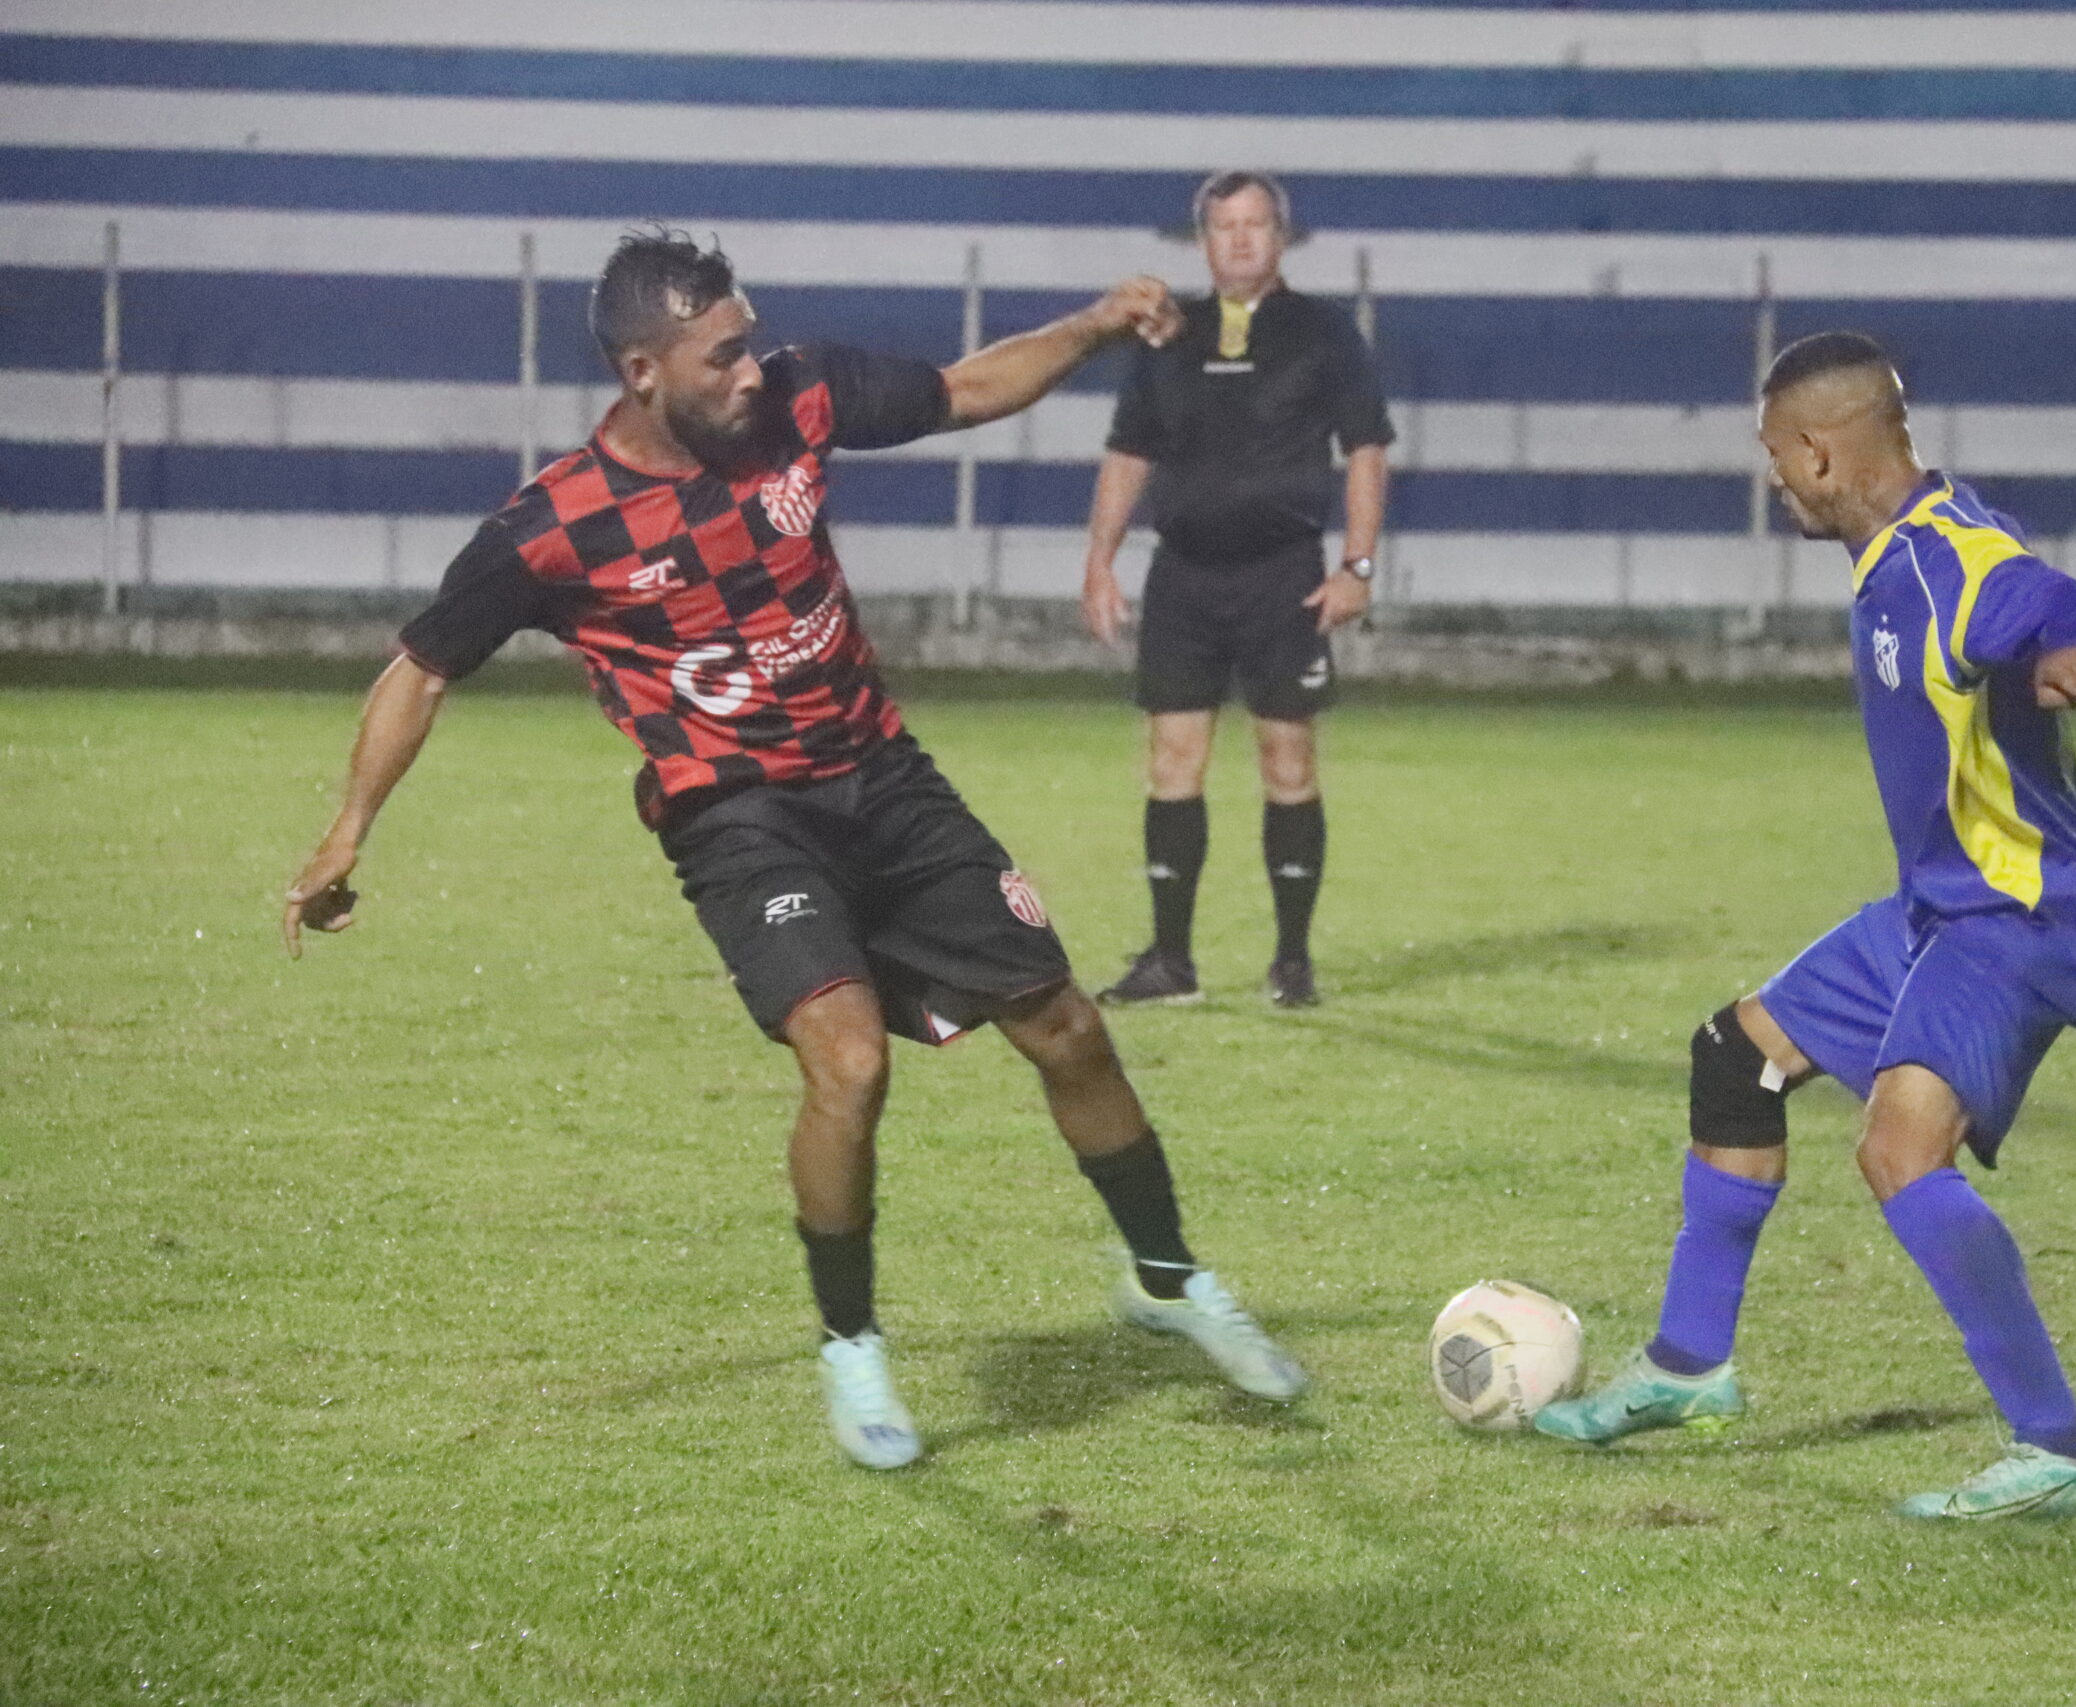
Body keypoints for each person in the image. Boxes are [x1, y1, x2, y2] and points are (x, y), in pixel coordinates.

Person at [282, 230, 1306, 1473]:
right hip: (738, 817)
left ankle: (1164, 1278)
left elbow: (968, 387)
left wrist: (1094, 324)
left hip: (882, 777)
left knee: (1069, 1029)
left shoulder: (803, 395)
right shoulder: (555, 527)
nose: (752, 370)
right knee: (850, 1062)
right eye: (723, 355)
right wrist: (349, 828)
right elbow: (422, 667)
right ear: (643, 371)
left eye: (752, 338)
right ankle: (852, 1347)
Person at [1533, 332, 2076, 1523]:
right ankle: (1690, 1368)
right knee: (1735, 1057)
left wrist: (2068, 637)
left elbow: (2037, 591)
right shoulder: (1900, 550)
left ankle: (2058, 1451)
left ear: (1818, 451)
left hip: (2013, 917)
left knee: (1898, 1152)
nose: (1772, 481)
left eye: (1773, 456)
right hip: (1934, 908)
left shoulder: (1946, 562)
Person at [1081, 170, 1393, 1010]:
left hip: (1284, 577)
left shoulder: (1324, 332)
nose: (1242, 239)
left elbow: (1365, 449)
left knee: (1286, 759)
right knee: (1171, 760)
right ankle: (1169, 960)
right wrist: (1099, 562)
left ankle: (1292, 959)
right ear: (1204, 241)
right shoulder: (1165, 336)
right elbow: (1128, 453)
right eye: (1225, 226)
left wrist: (1356, 567)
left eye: (1257, 224)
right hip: (1183, 575)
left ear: (1281, 238)